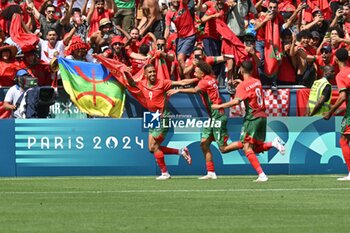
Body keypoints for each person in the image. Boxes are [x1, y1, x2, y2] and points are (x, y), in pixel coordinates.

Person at [211, 61, 286, 182]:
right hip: (262, 116)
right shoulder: (257, 81)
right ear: (252, 70)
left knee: (247, 147)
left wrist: (219, 106)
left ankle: (262, 175)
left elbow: (236, 101)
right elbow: (251, 90)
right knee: (254, 148)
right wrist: (242, 84)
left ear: (241, 70)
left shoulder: (243, 86)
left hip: (252, 117)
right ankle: (273, 144)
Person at [123, 63, 196, 180]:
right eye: (150, 72)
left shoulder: (162, 83)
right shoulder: (142, 84)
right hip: (152, 117)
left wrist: (198, 78)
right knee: (151, 148)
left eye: (154, 71)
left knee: (155, 145)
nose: (152, 74)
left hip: (163, 117)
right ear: (145, 75)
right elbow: (131, 83)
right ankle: (181, 151)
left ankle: (165, 173)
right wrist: (127, 72)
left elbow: (181, 82)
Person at [324, 48, 350, 181]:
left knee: (344, 140)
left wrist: (331, 111)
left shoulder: (341, 75)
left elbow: (342, 97)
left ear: (336, 59)